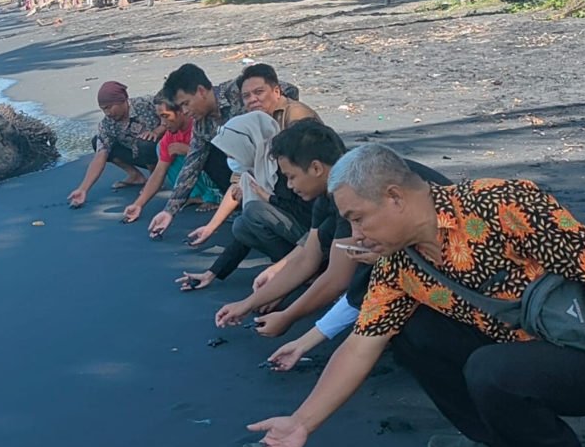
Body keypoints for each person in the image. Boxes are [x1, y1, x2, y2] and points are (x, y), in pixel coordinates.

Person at [246, 143, 585, 447]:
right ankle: (496, 436)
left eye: (358, 218)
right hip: (522, 351)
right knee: (412, 330)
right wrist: (301, 422)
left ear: (395, 197)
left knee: (490, 369)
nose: (356, 235)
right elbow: (361, 345)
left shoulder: (500, 203)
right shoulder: (398, 265)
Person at [215, 121, 450, 339]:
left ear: (316, 168)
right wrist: (248, 303)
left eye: (291, 176)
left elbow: (337, 278)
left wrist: (288, 317)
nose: (289, 185)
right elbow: (307, 258)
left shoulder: (354, 191)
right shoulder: (330, 193)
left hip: (449, 258)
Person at [145, 63, 299, 238]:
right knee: (210, 155)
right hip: (246, 171)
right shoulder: (201, 125)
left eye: (186, 104)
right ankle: (241, 205)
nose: (185, 111)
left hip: (278, 158)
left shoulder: (237, 90)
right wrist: (169, 211)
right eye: (181, 107)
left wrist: (272, 121)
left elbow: (289, 89)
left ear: (201, 91)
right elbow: (191, 166)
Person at [175, 111, 311, 291]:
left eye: (233, 154)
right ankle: (292, 267)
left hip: (314, 236)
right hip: (298, 235)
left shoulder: (282, 167)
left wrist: (269, 198)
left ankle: (305, 268)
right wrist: (212, 273)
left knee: (254, 210)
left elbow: (306, 210)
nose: (231, 160)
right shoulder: (255, 172)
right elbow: (246, 233)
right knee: (241, 225)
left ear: (249, 145)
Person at [122, 93, 221, 223]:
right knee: (162, 149)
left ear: (181, 111)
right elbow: (159, 172)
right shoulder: (170, 135)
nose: (163, 123)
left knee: (201, 154)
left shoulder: (201, 124)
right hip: (198, 169)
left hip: (223, 172)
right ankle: (197, 194)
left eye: (165, 116)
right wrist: (138, 204)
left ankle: (216, 196)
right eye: (160, 117)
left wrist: (187, 150)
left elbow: (221, 156)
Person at [67, 81, 165, 208]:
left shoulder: (145, 104)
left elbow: (171, 112)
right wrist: (83, 189)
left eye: (109, 107)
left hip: (162, 153)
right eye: (103, 109)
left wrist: (157, 131)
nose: (107, 113)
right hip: (138, 154)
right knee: (97, 142)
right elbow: (100, 155)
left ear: (123, 101)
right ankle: (135, 176)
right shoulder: (107, 124)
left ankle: (155, 181)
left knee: (146, 142)